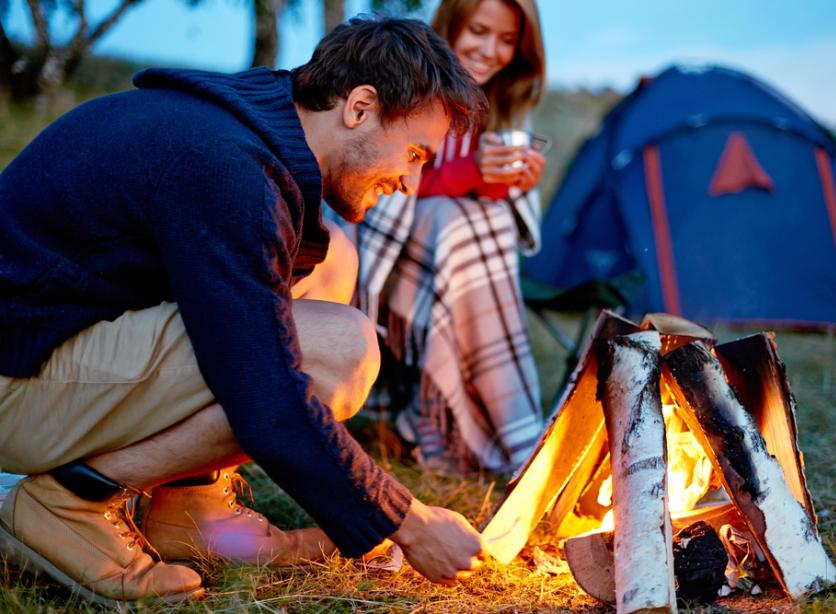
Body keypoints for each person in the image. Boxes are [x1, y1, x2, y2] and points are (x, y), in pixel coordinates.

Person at [0, 16, 487, 606]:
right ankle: (69, 502)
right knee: (342, 351)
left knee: (333, 263)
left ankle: (191, 507)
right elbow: (264, 393)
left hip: (53, 336)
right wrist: (404, 521)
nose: (410, 179)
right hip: (16, 379)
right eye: (413, 152)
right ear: (359, 107)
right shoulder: (229, 167)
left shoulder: (250, 130)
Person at [349, 0, 546, 474]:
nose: (490, 51)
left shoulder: (505, 103)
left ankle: (474, 424)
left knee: (478, 222)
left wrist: (515, 185)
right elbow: (380, 184)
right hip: (388, 251)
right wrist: (469, 172)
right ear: (450, 25)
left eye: (506, 40)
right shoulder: (411, 84)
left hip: (451, 263)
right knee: (450, 222)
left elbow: (489, 202)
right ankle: (512, 434)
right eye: (479, 31)